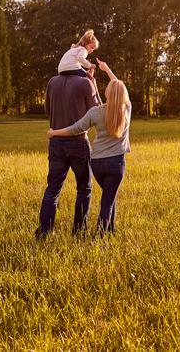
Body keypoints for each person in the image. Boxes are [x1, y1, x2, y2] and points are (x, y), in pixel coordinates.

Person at [47, 60, 131, 238]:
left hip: (98, 163)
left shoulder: (96, 112)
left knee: (110, 196)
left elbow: (75, 128)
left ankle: (110, 230)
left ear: (107, 93)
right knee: (107, 202)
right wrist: (107, 69)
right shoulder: (126, 109)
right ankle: (99, 238)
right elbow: (120, 90)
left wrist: (55, 132)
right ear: (123, 96)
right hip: (116, 163)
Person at [36, 50, 101, 239]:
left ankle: (44, 232)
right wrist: (92, 82)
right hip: (78, 143)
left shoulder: (52, 82)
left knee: (53, 188)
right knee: (84, 187)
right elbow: (96, 111)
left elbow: (48, 110)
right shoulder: (84, 83)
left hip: (56, 143)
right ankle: (79, 232)